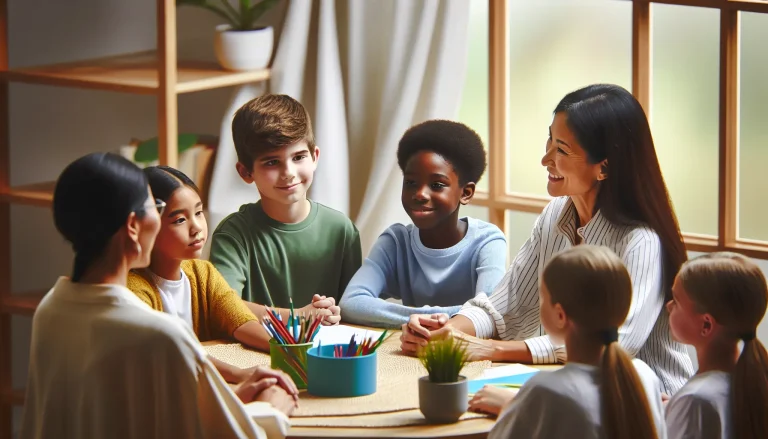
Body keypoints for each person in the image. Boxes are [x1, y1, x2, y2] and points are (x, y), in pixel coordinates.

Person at [401, 84, 694, 395]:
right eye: (550, 140)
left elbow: (616, 343)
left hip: (641, 403)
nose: (545, 158)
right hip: (568, 382)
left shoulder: (641, 240)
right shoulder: (555, 214)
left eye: (562, 150)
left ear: (604, 167)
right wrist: (449, 331)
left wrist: (495, 350)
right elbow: (504, 303)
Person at [20, 153, 296, 439]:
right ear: (133, 225)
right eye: (157, 207)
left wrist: (231, 395)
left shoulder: (51, 310)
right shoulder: (158, 333)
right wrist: (272, 410)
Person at [127, 166, 340, 383]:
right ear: (148, 225)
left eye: (199, 213)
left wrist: (291, 351)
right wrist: (238, 374)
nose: (197, 228)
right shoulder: (134, 288)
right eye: (179, 220)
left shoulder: (203, 273)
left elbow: (240, 321)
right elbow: (172, 351)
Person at [473, 246, 665, 439]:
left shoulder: (547, 390)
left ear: (560, 315)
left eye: (542, 298)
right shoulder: (644, 376)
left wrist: (514, 408)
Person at [339, 120, 507, 327]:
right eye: (411, 183)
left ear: (466, 193)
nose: (420, 194)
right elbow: (351, 303)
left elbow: (489, 312)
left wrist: (419, 319)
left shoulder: (488, 242)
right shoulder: (396, 241)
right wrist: (430, 319)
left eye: (437, 185)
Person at [209, 94, 361, 308]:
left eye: (298, 157)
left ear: (315, 156)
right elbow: (224, 308)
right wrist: (300, 317)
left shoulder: (342, 230)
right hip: (259, 342)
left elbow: (353, 307)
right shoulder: (233, 235)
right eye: (272, 162)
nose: (288, 173)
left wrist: (336, 314)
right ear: (245, 172)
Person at [665, 252, 768, 439]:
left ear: (706, 325)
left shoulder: (696, 401)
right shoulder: (752, 381)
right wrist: (675, 410)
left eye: (677, 301)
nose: (669, 306)